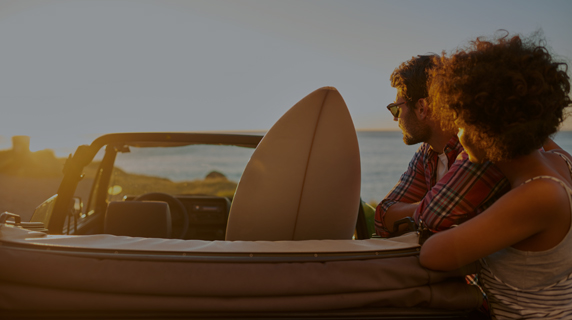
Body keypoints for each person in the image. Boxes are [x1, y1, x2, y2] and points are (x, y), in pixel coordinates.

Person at [420, 32, 572, 319]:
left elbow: (433, 254)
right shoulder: (560, 161)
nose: (459, 135)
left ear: (485, 128)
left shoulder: (539, 196)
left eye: (461, 124)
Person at [375, 55, 510, 238]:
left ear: (422, 108)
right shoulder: (427, 152)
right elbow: (383, 217)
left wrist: (423, 208)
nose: (394, 117)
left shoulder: (477, 150)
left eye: (396, 108)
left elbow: (434, 215)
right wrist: (428, 204)